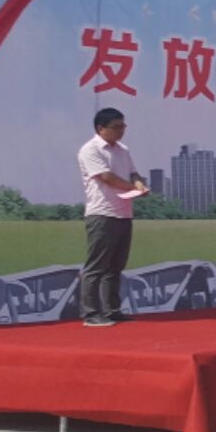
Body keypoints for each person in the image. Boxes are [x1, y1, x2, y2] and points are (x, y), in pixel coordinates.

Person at [77, 107, 145, 328]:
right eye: (116, 127)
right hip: (102, 213)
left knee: (115, 266)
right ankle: (91, 313)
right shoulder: (90, 150)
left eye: (123, 126)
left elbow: (133, 171)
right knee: (97, 266)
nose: (121, 131)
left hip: (124, 212)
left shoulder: (123, 149)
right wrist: (132, 188)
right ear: (101, 128)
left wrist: (138, 183)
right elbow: (106, 177)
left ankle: (112, 310)